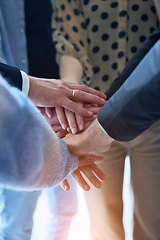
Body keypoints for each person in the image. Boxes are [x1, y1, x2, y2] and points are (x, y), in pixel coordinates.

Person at [52, 1, 160, 239]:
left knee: (153, 219)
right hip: (91, 115)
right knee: (104, 223)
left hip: (152, 117)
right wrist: (72, 98)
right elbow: (70, 41)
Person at [0, 1, 106, 240]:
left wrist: (69, 103)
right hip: (20, 112)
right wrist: (29, 89)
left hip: (61, 112)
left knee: (65, 210)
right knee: (19, 220)